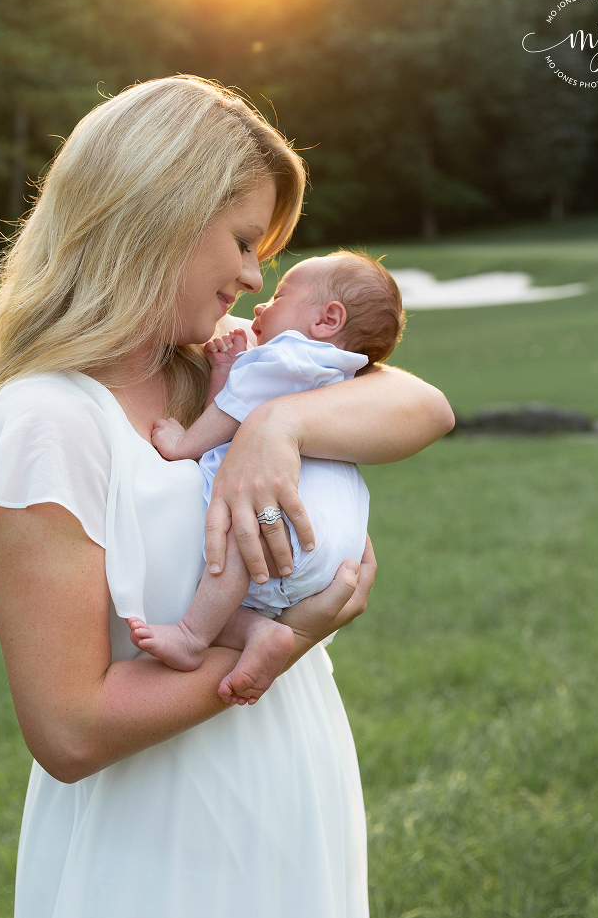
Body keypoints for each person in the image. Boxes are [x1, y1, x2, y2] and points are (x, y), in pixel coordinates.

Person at [0, 76, 454, 918]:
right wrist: (287, 641)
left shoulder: (218, 366)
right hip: (160, 833)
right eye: (242, 240)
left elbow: (424, 406)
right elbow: (70, 730)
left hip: (291, 781)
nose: (252, 275)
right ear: (160, 211)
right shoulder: (45, 420)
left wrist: (278, 426)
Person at [128, 251, 405, 707]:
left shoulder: (289, 356)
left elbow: (228, 417)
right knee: (238, 600)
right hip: (337, 552)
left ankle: (192, 636)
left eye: (280, 297)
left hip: (286, 531)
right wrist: (225, 371)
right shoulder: (340, 372)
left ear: (327, 318)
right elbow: (238, 407)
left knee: (241, 529)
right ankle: (263, 632)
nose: (260, 303)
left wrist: (183, 444)